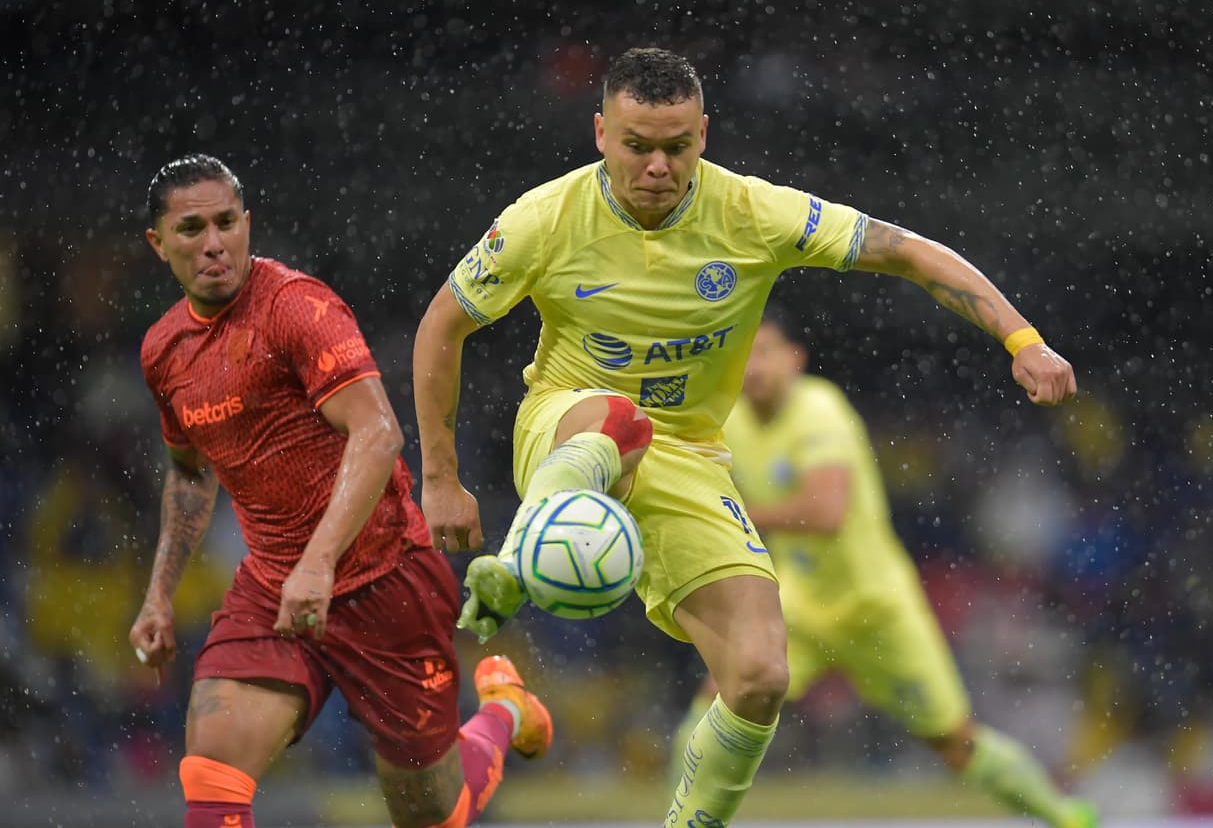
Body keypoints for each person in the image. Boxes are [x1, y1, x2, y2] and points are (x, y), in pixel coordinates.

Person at [412, 47, 1077, 827]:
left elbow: (904, 250)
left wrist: (1022, 337)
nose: (658, 165)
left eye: (678, 145)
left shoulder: (752, 212)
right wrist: (440, 476)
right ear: (599, 133)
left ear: (704, 134)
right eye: (637, 145)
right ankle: (519, 564)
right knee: (622, 418)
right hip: (569, 426)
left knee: (759, 675)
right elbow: (442, 325)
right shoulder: (544, 219)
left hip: (691, 455)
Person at [129, 154, 553, 828]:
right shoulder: (164, 351)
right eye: (191, 228)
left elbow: (379, 434)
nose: (213, 241)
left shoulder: (296, 307)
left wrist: (320, 560)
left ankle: (503, 711)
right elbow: (188, 472)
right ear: (159, 243)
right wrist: (159, 593)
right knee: (211, 772)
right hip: (275, 587)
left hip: (388, 580)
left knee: (432, 814)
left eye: (226, 222)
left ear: (247, 223)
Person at [668, 308, 1097, 828]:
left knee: (955, 743)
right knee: (716, 703)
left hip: (877, 608)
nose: (753, 367)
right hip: (800, 603)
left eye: (765, 352)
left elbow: (826, 511)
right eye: (744, 355)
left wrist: (729, 511)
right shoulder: (729, 419)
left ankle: (1066, 817)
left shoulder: (819, 410)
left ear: (794, 360)